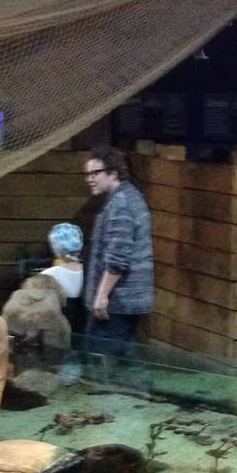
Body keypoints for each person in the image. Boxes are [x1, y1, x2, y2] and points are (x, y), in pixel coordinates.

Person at [82, 147, 154, 358]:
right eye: (87, 174)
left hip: (118, 300)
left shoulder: (121, 203)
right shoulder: (125, 197)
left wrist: (101, 296)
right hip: (124, 299)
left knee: (101, 359)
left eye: (95, 173)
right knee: (123, 358)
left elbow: (118, 257)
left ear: (113, 173)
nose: (90, 179)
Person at [40, 222, 86, 338]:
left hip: (58, 338)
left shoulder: (47, 275)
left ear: (55, 247)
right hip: (88, 337)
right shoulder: (91, 273)